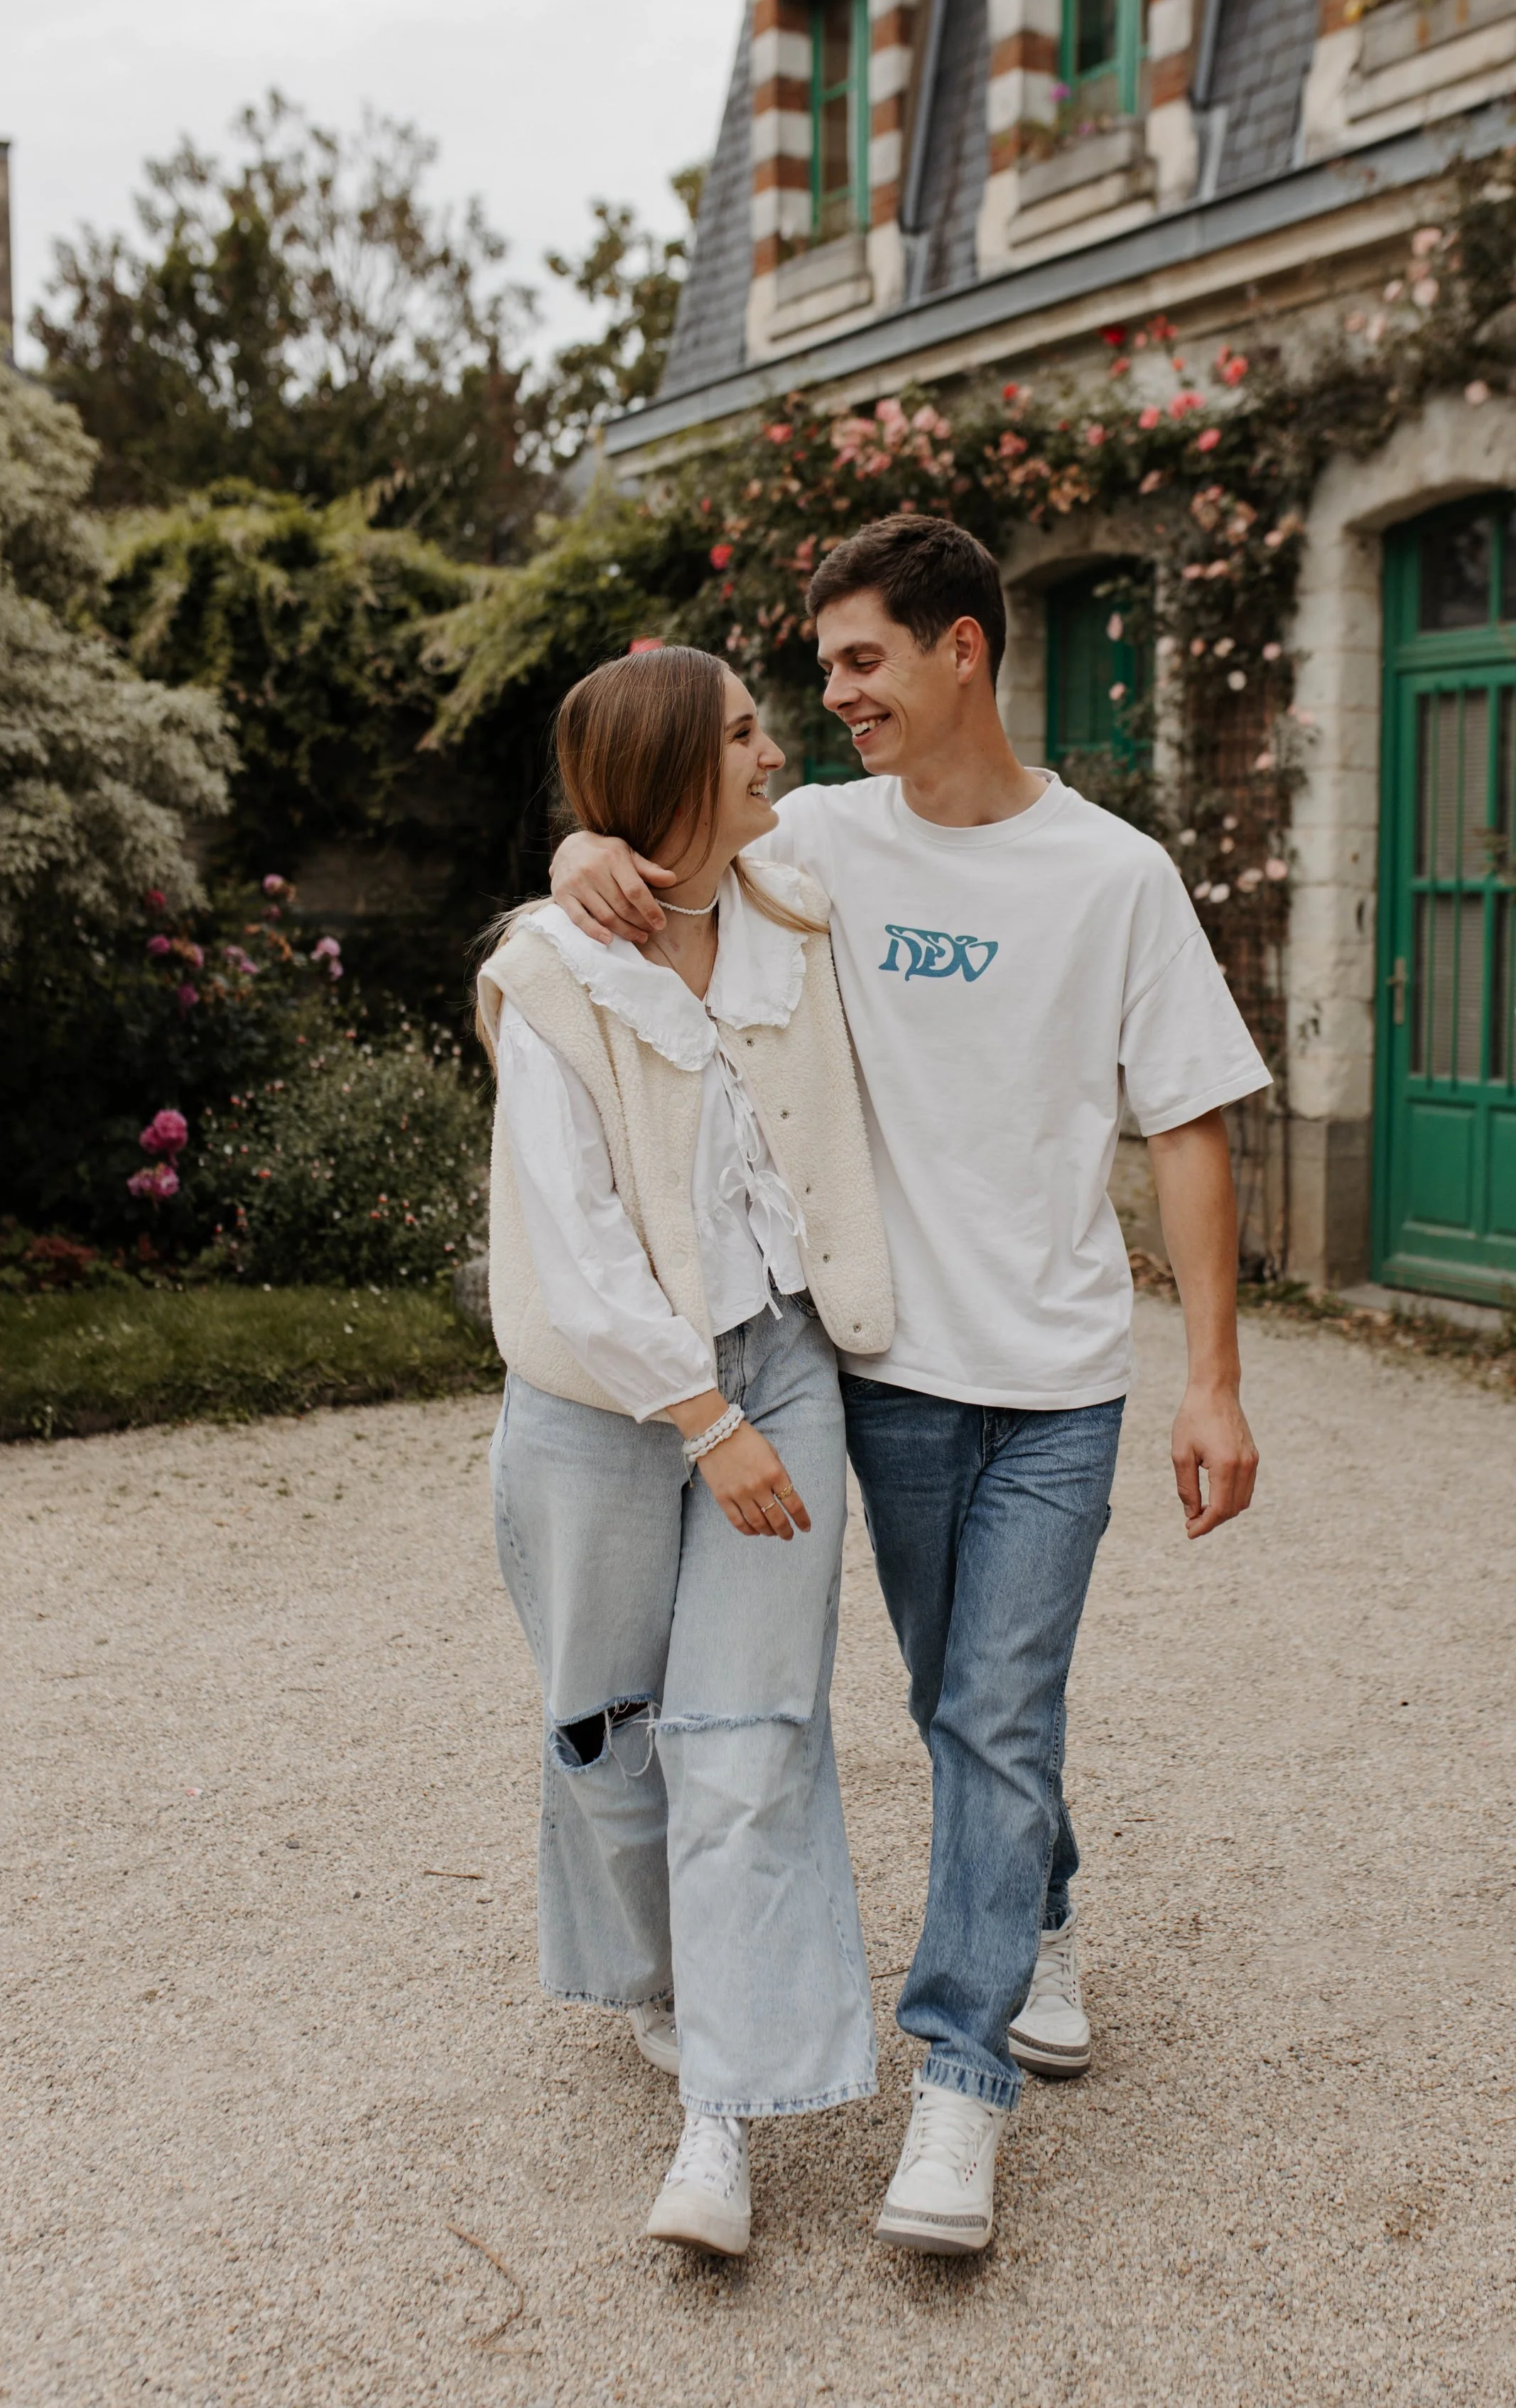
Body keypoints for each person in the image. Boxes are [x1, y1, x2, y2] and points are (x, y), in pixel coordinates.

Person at [551, 517, 1269, 2255]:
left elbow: (1185, 1123)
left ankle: (959, 2077)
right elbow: (664, 851)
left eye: (861, 660)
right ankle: (1045, 1911)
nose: (835, 697)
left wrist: (1212, 1382)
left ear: (963, 649)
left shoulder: (1113, 876)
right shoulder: (816, 839)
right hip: (882, 1376)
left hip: (1058, 1383)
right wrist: (579, 849)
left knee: (995, 1712)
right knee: (957, 1697)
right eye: (820, 671)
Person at [477, 644, 894, 2257]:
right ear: (669, 770)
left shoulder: (797, 903)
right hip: (600, 1402)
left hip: (782, 1364)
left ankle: (719, 2115)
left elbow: (933, 824)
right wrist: (696, 1420)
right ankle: (653, 1970)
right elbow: (575, 1248)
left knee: (751, 1731)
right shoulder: (553, 970)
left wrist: (744, 1411)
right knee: (603, 1724)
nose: (776, 750)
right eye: (741, 735)